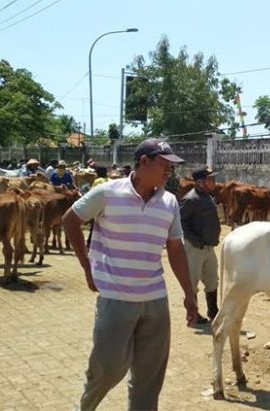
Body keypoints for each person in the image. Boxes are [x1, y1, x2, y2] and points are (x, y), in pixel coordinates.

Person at [62, 138, 197, 410]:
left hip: (155, 300)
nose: (170, 171)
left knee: (149, 377)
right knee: (108, 368)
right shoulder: (108, 193)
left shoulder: (169, 202)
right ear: (144, 161)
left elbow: (175, 249)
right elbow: (70, 220)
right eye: (164, 164)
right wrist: (87, 267)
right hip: (116, 297)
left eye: (172, 166)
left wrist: (189, 293)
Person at [179, 167, 221, 324]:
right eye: (210, 180)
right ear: (200, 182)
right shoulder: (191, 199)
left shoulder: (207, 197)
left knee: (212, 280)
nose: (214, 182)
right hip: (194, 248)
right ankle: (193, 314)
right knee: (192, 282)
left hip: (209, 247)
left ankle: (213, 311)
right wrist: (195, 239)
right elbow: (181, 221)